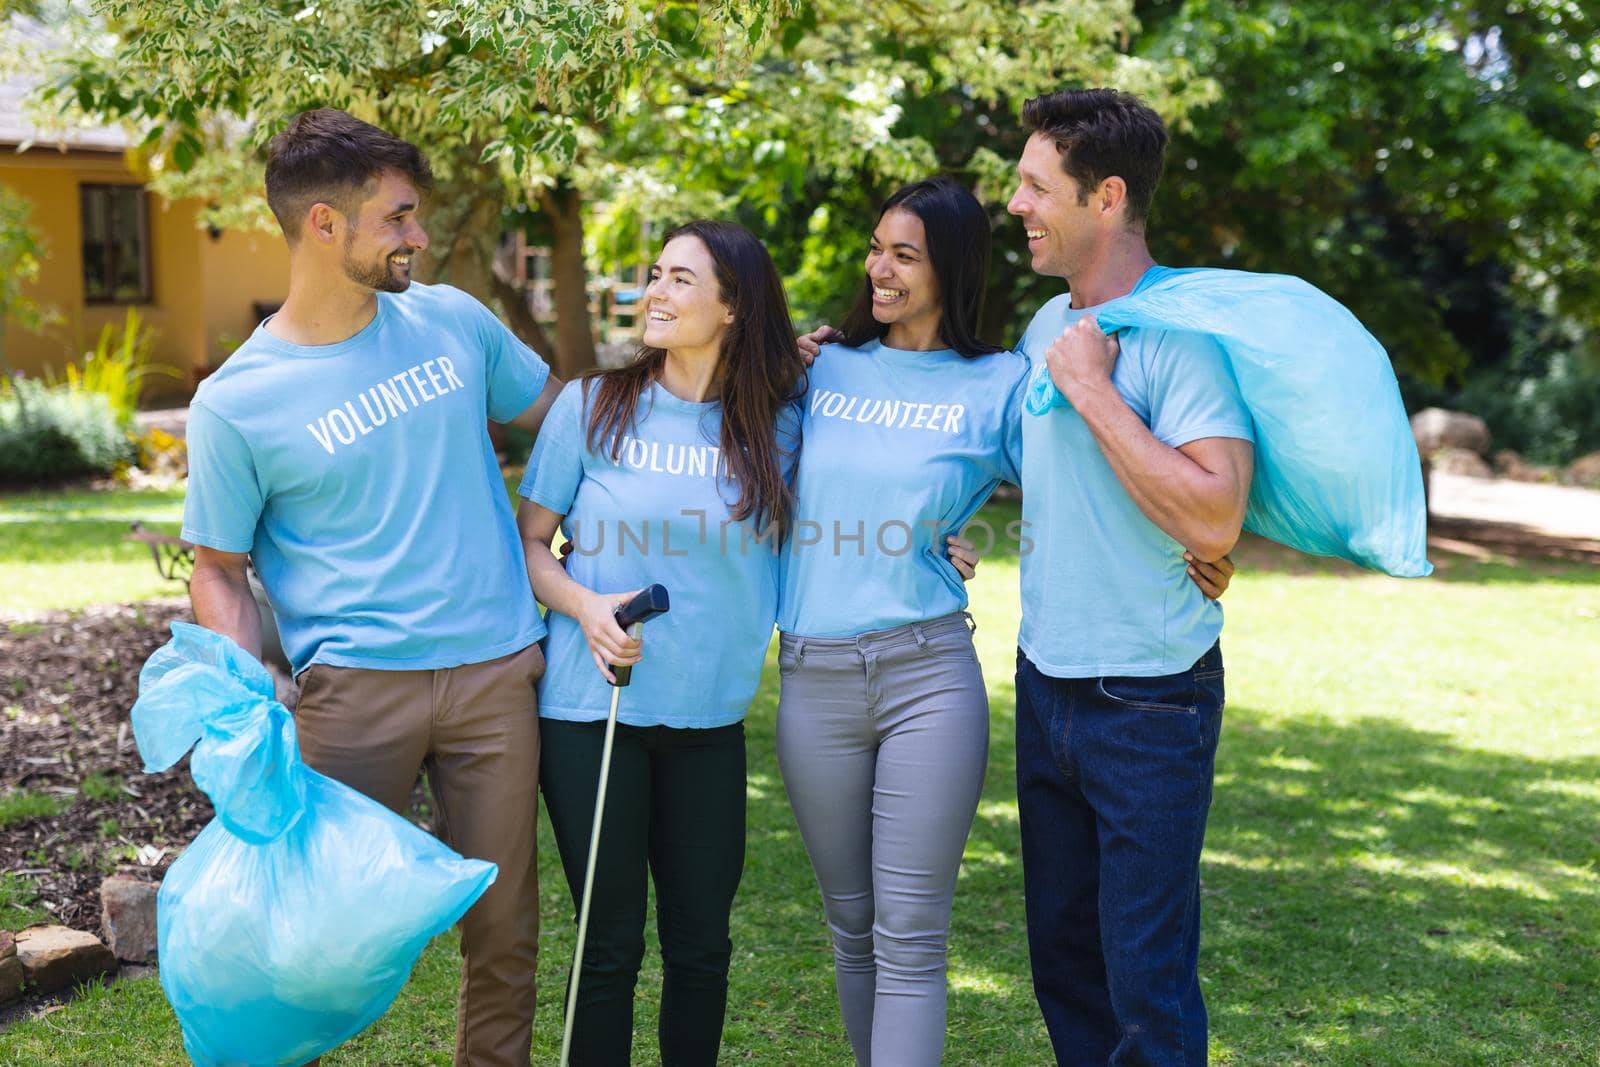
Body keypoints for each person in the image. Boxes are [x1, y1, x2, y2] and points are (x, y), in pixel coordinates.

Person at [781, 178, 1234, 1066]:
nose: (880, 268)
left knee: (910, 932)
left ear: (950, 269)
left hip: (927, 673)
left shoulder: (1001, 381)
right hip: (812, 674)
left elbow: (1085, 480)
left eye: (904, 255)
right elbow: (759, 483)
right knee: (849, 925)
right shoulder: (821, 368)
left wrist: (1201, 536)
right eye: (877, 248)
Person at [181, 108, 560, 1067]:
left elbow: (564, 416)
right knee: (307, 938)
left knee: (505, 930)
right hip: (352, 693)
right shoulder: (237, 401)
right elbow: (219, 570)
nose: (418, 236)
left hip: (493, 674)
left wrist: (722, 370)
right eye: (397, 218)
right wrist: (241, 699)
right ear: (324, 224)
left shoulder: (454, 320)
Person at [516, 220, 806, 1066]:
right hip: (590, 709)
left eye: (682, 279)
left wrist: (941, 541)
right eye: (656, 274)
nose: (657, 292)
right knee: (609, 945)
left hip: (709, 719)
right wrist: (584, 603)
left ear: (732, 306)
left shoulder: (780, 425)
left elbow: (864, 492)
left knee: (701, 947)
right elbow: (531, 542)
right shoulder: (591, 405)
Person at [1005, 89, 1256, 1066]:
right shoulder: (1041, 322)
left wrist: (1093, 388)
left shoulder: (1179, 334)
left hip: (1147, 699)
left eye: (1035, 186)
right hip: (1045, 680)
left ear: (1104, 196)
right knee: (1065, 966)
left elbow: (1212, 510)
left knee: (1145, 984)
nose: (1017, 204)